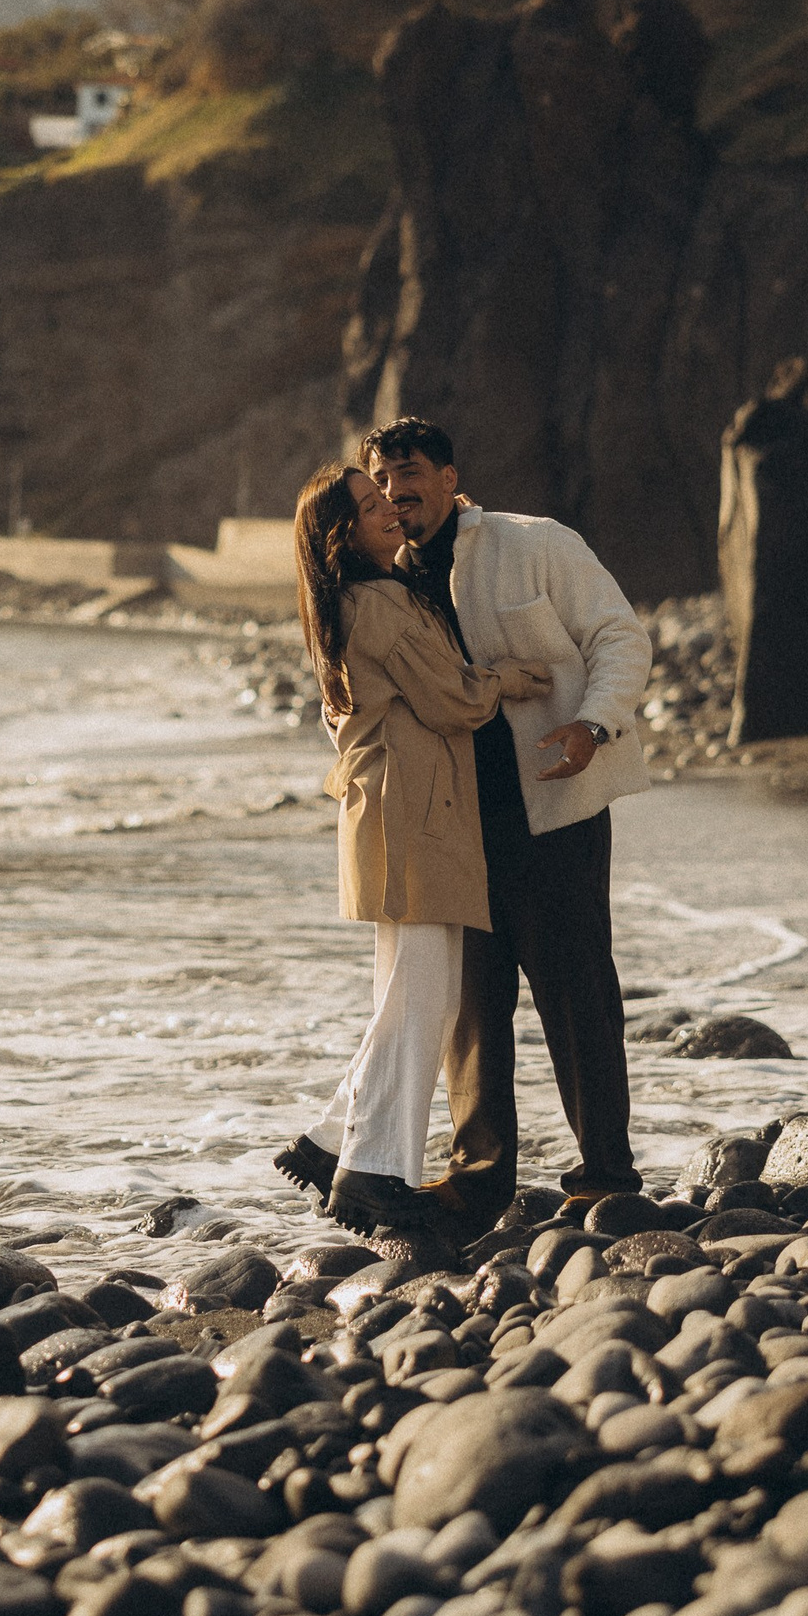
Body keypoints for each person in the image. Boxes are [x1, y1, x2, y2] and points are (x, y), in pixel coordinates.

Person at [361, 415, 655, 1241]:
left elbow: (620, 638)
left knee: (576, 996)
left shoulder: (537, 543)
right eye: (381, 481)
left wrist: (592, 725)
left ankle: (605, 1175)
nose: (395, 492)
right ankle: (480, 1180)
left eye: (409, 472)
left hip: (553, 810)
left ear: (452, 477)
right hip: (452, 829)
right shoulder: (385, 582)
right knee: (472, 1011)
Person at [272, 462, 549, 1237]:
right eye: (369, 506)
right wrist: (511, 679)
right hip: (412, 817)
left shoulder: (349, 604)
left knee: (410, 991)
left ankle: (334, 1142)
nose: (388, 509)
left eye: (384, 498)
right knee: (426, 995)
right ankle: (371, 1169)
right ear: (343, 535)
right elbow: (452, 697)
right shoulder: (382, 604)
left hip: (392, 816)